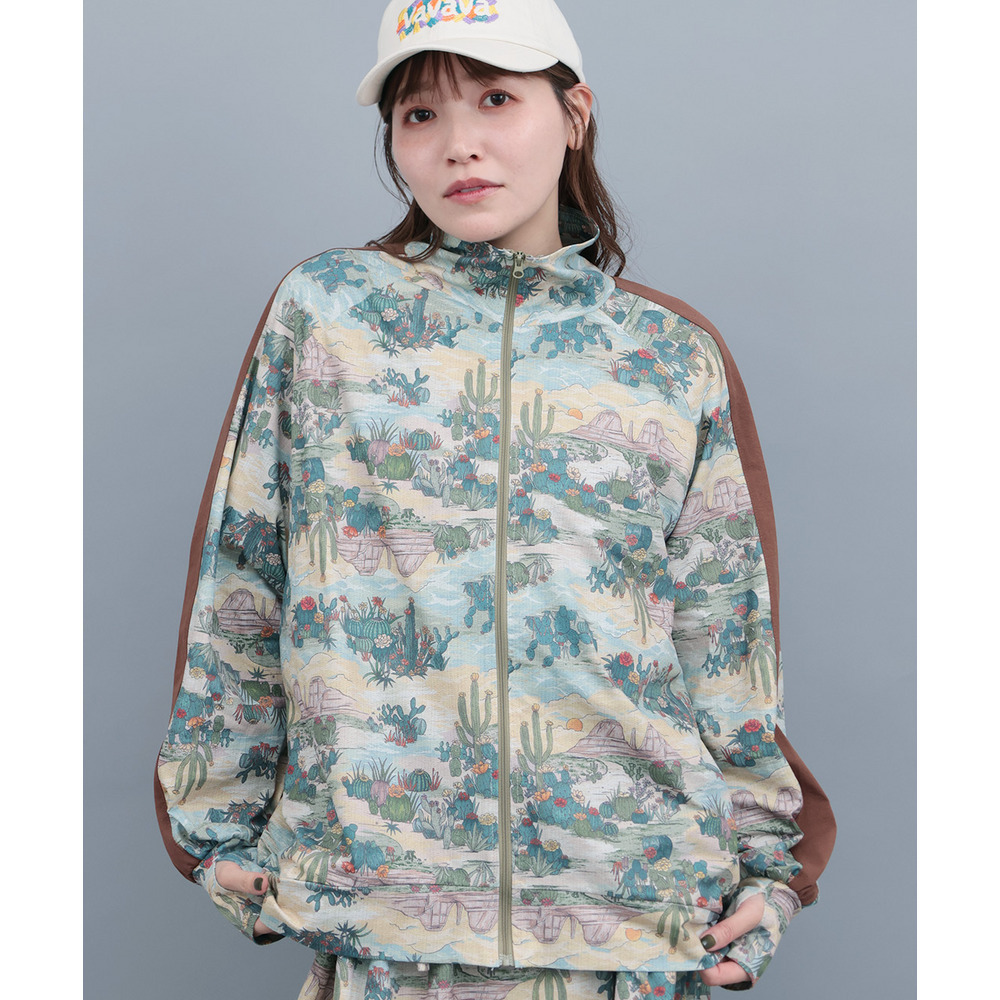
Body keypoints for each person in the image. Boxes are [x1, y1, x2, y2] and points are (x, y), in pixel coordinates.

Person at [154, 2, 835, 997]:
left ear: (575, 112)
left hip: (636, 920)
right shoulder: (326, 316)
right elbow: (242, 580)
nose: (458, 143)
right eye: (419, 114)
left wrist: (771, 873)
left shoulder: (668, 354)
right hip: (388, 917)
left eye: (496, 99)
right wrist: (214, 835)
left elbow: (722, 637)